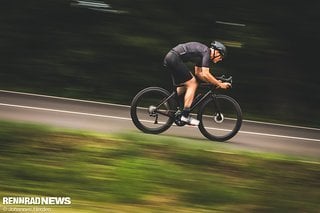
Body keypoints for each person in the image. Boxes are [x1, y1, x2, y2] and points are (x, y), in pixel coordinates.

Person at [163, 41, 231, 126]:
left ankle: (170, 101)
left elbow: (198, 73)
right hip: (174, 58)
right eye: (221, 57)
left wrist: (213, 82)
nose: (220, 60)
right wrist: (219, 84)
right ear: (216, 52)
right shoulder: (206, 52)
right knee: (192, 84)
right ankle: (185, 115)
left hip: (171, 58)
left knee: (188, 83)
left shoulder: (203, 54)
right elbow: (206, 74)